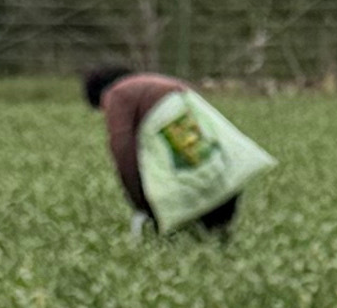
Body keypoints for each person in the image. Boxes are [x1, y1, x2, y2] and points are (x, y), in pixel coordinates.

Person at [78, 57, 270, 237]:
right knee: (204, 165)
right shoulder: (153, 82)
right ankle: (216, 223)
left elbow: (122, 149)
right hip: (190, 112)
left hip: (170, 117)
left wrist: (140, 202)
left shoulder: (117, 94)